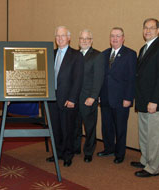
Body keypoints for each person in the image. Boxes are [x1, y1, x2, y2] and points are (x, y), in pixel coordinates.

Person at [131, 18, 159, 177]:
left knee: (154, 136)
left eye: (151, 28)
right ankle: (145, 160)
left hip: (156, 102)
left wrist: (154, 100)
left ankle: (153, 168)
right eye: (145, 28)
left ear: (158, 30)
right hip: (143, 101)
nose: (147, 31)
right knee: (144, 134)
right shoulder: (144, 48)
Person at [46, 26, 84, 167]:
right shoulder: (51, 53)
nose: (60, 38)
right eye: (57, 36)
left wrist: (73, 99)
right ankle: (58, 153)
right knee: (55, 128)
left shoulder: (76, 55)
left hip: (68, 99)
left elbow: (78, 79)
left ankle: (68, 155)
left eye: (63, 36)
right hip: (52, 99)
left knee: (68, 128)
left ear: (69, 38)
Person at [98, 27, 136, 164]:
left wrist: (128, 98)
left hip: (121, 99)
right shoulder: (104, 54)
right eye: (112, 36)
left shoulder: (130, 54)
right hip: (105, 97)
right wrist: (99, 94)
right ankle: (109, 148)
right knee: (106, 126)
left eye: (118, 36)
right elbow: (102, 77)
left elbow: (132, 78)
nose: (115, 38)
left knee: (120, 127)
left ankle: (120, 154)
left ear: (123, 38)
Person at [73, 29, 104, 163]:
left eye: (87, 38)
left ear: (91, 40)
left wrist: (93, 97)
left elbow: (98, 79)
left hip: (88, 98)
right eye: (82, 38)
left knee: (90, 127)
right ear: (78, 41)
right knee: (75, 125)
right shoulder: (74, 55)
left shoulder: (97, 55)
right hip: (74, 98)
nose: (84, 41)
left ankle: (89, 151)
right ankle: (76, 147)